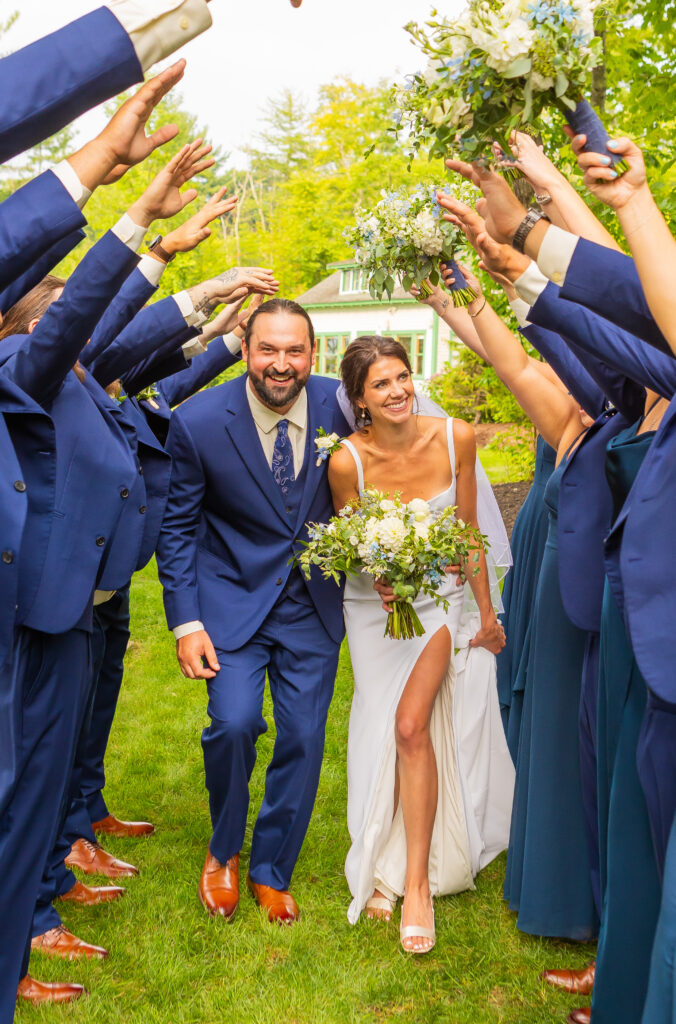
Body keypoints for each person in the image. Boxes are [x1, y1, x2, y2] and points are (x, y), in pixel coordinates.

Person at [156, 298, 350, 924]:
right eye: (268, 348)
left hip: (312, 605)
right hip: (230, 605)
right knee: (234, 725)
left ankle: (272, 868)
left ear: (312, 353)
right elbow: (179, 527)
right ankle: (222, 852)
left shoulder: (342, 405)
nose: (281, 363)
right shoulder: (199, 421)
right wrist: (186, 623)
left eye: (294, 350)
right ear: (245, 349)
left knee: (303, 736)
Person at [326, 335, 508, 953]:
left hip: (440, 601)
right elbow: (352, 547)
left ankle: (416, 884)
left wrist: (485, 614)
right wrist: (379, 573)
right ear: (359, 400)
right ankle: (379, 853)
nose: (399, 390)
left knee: (410, 727)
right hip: (375, 609)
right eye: (381, 384)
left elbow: (468, 533)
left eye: (403, 376)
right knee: (381, 726)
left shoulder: (454, 435)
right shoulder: (347, 461)